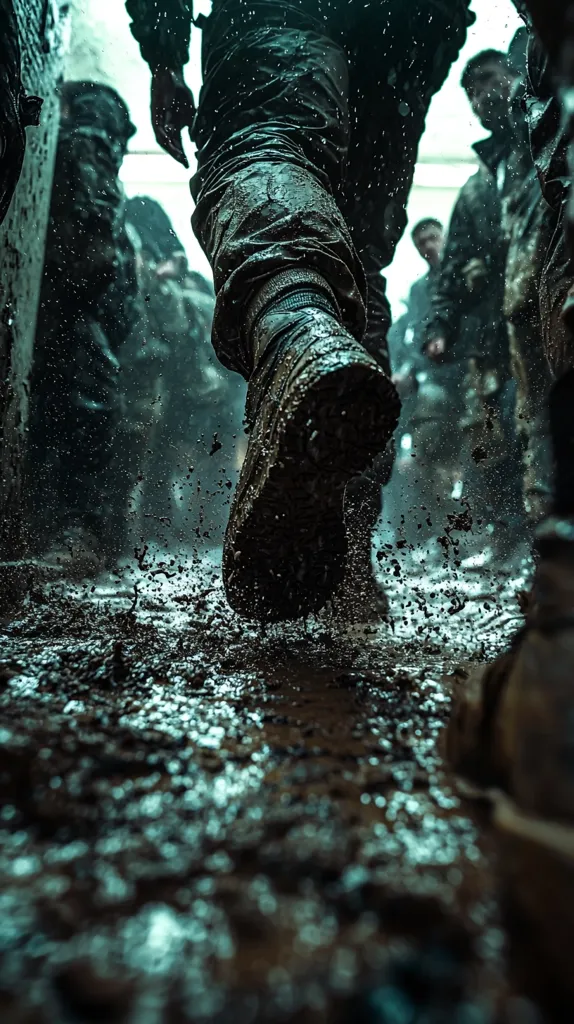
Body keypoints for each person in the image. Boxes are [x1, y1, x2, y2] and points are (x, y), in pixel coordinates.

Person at [125, 0, 473, 621]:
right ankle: (348, 562)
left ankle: (299, 334)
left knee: (265, 152)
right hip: (413, 33)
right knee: (360, 266)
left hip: (284, 13)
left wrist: (164, 52)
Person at [27, 82, 138, 577]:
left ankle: (66, 535)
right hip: (71, 317)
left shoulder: (73, 144)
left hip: (62, 314)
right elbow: (100, 260)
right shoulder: (85, 148)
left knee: (61, 432)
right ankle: (72, 534)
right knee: (79, 427)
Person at [425, 49, 526, 566]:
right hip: (493, 338)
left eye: (488, 78)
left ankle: (540, 544)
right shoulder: (475, 190)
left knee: (538, 429)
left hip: (543, 321)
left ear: (515, 76)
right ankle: (506, 538)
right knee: (493, 439)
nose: (482, 93)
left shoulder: (547, 148)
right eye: (470, 89)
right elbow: (453, 268)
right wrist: (440, 325)